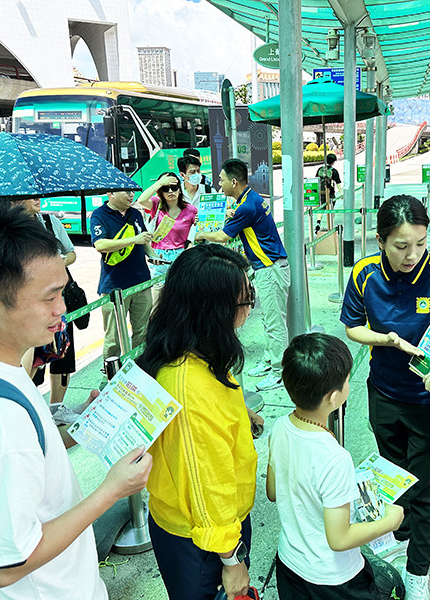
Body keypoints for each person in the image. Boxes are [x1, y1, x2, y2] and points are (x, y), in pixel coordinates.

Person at [0, 201, 152, 599]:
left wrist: (77, 429)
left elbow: (24, 454)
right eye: (49, 297)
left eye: (62, 291)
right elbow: (5, 565)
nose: (62, 309)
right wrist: (111, 490)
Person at [340, 194, 430, 600]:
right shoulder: (363, 274)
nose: (413, 255)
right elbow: (353, 327)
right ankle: (400, 529)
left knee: (426, 491)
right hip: (384, 393)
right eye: (402, 246)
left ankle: (418, 575)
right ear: (380, 241)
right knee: (393, 473)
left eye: (421, 244)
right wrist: (387, 339)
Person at [138, 244, 262, 600]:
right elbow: (206, 485)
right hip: (203, 540)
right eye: (244, 301)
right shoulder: (187, 387)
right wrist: (231, 557)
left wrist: (242, 414)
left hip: (217, 527)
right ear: (213, 311)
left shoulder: (195, 347)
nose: (250, 307)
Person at [267, 333, 405, 599]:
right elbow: (339, 539)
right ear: (333, 398)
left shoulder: (280, 428)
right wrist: (390, 521)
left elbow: (274, 492)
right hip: (333, 579)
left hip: (290, 564)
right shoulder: (335, 457)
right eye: (347, 380)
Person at [195, 158, 289, 392]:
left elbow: (224, 237)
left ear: (234, 181)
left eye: (222, 179)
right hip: (266, 267)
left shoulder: (247, 206)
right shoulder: (249, 199)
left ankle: (279, 371)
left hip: (270, 268)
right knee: (268, 318)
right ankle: (270, 361)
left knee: (275, 322)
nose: (219, 183)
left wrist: (201, 235)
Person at [13, 198, 78, 409]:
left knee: (61, 353)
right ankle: (29, 408)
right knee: (29, 358)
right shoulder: (4, 229)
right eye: (31, 194)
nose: (38, 198)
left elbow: (71, 252)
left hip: (56, 299)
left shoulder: (50, 222)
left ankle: (56, 408)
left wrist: (58, 262)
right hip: (27, 307)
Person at [91, 189, 154, 366]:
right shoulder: (99, 215)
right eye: (126, 192)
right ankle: (111, 373)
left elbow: (144, 241)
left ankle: (140, 367)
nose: (131, 196)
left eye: (132, 192)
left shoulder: (135, 213)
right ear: (111, 194)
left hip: (142, 282)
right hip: (114, 286)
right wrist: (134, 239)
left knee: (142, 331)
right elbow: (100, 244)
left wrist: (154, 255)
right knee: (114, 336)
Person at [135, 172, 198, 305]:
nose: (170, 191)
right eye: (165, 188)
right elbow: (141, 200)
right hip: (159, 257)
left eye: (174, 187)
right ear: (160, 191)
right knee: (158, 299)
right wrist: (159, 183)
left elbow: (199, 230)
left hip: (181, 256)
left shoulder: (190, 210)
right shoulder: (156, 204)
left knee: (182, 297)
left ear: (180, 189)